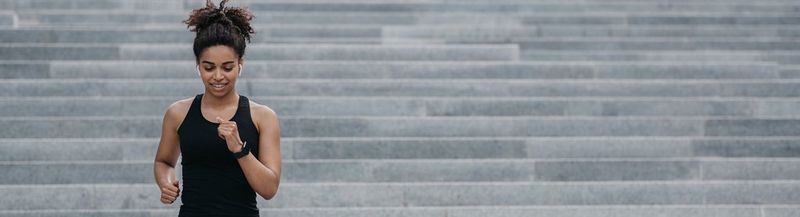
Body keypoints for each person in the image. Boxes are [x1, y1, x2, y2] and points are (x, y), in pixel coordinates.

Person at [153, 0, 281, 216]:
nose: (218, 76)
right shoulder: (178, 113)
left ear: (241, 63)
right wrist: (165, 182)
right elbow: (163, 161)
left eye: (228, 67)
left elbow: (269, 189)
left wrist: (239, 149)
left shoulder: (263, 117)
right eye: (209, 67)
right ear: (198, 64)